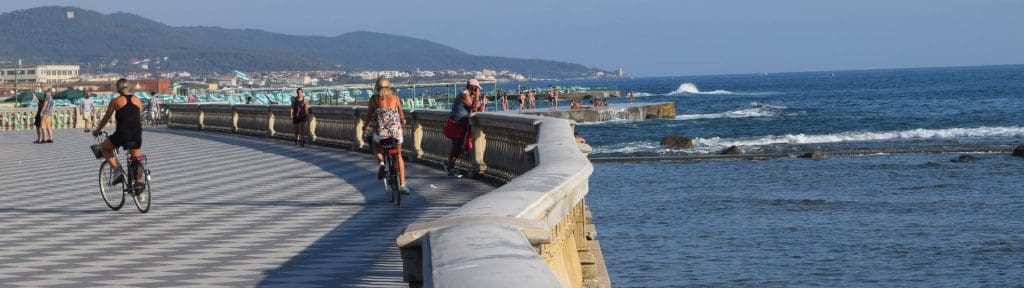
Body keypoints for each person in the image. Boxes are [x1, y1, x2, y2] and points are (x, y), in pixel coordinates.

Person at [93, 78, 145, 191]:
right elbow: (137, 117)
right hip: (137, 133)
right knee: (136, 158)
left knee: (104, 148)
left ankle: (117, 170)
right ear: (129, 87)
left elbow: (106, 119)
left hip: (122, 133)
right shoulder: (137, 100)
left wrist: (97, 130)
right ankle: (140, 187)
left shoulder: (116, 101)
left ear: (118, 89)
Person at [365, 77, 409, 193]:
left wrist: (364, 127)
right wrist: (402, 121)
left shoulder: (374, 99)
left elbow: (369, 116)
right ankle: (403, 185)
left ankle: (381, 163)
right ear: (389, 86)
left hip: (382, 133)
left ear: (376, 87)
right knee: (398, 155)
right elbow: (401, 115)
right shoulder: (395, 98)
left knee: (374, 142)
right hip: (396, 133)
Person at [442, 79, 481, 176]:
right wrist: (477, 97)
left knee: (458, 146)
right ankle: (449, 166)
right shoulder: (464, 94)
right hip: (457, 123)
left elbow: (474, 108)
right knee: (457, 146)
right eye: (477, 89)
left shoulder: (466, 94)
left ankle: (449, 164)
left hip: (461, 123)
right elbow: (474, 108)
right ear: (473, 88)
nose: (477, 91)